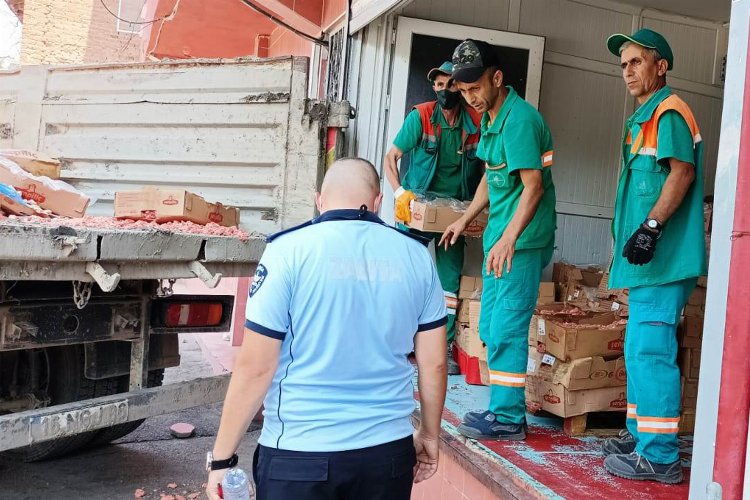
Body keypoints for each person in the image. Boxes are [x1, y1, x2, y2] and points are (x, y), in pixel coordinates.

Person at [204, 158, 449, 500]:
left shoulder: (287, 251)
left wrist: (222, 459)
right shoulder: (416, 256)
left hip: (300, 456)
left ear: (319, 200)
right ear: (378, 202)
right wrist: (430, 435)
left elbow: (256, 367)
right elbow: (435, 363)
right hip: (387, 456)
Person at [600, 29, 705, 484]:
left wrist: (651, 228)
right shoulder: (644, 119)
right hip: (649, 262)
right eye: (623, 64)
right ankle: (642, 433)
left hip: (663, 258)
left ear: (660, 65)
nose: (628, 71)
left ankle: (661, 454)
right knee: (638, 348)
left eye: (637, 62)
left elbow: (681, 172)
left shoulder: (669, 112)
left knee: (651, 351)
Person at [439, 39, 557, 440]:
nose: (469, 97)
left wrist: (508, 238)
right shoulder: (491, 119)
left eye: (475, 88)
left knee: (506, 325)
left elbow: (533, 186)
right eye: (464, 90)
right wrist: (463, 220)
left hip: (519, 244)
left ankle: (508, 418)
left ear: (498, 77)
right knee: (491, 324)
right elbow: (492, 182)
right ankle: (500, 408)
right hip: (501, 238)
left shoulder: (519, 120)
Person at [384, 61, 485, 375]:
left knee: (449, 284)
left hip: (454, 213)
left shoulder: (475, 122)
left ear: (461, 87)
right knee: (404, 274)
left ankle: (443, 348)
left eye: (450, 85)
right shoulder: (423, 115)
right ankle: (396, 345)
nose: (444, 91)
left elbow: (487, 167)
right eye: (438, 86)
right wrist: (400, 193)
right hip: (419, 208)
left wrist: (478, 210)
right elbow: (392, 158)